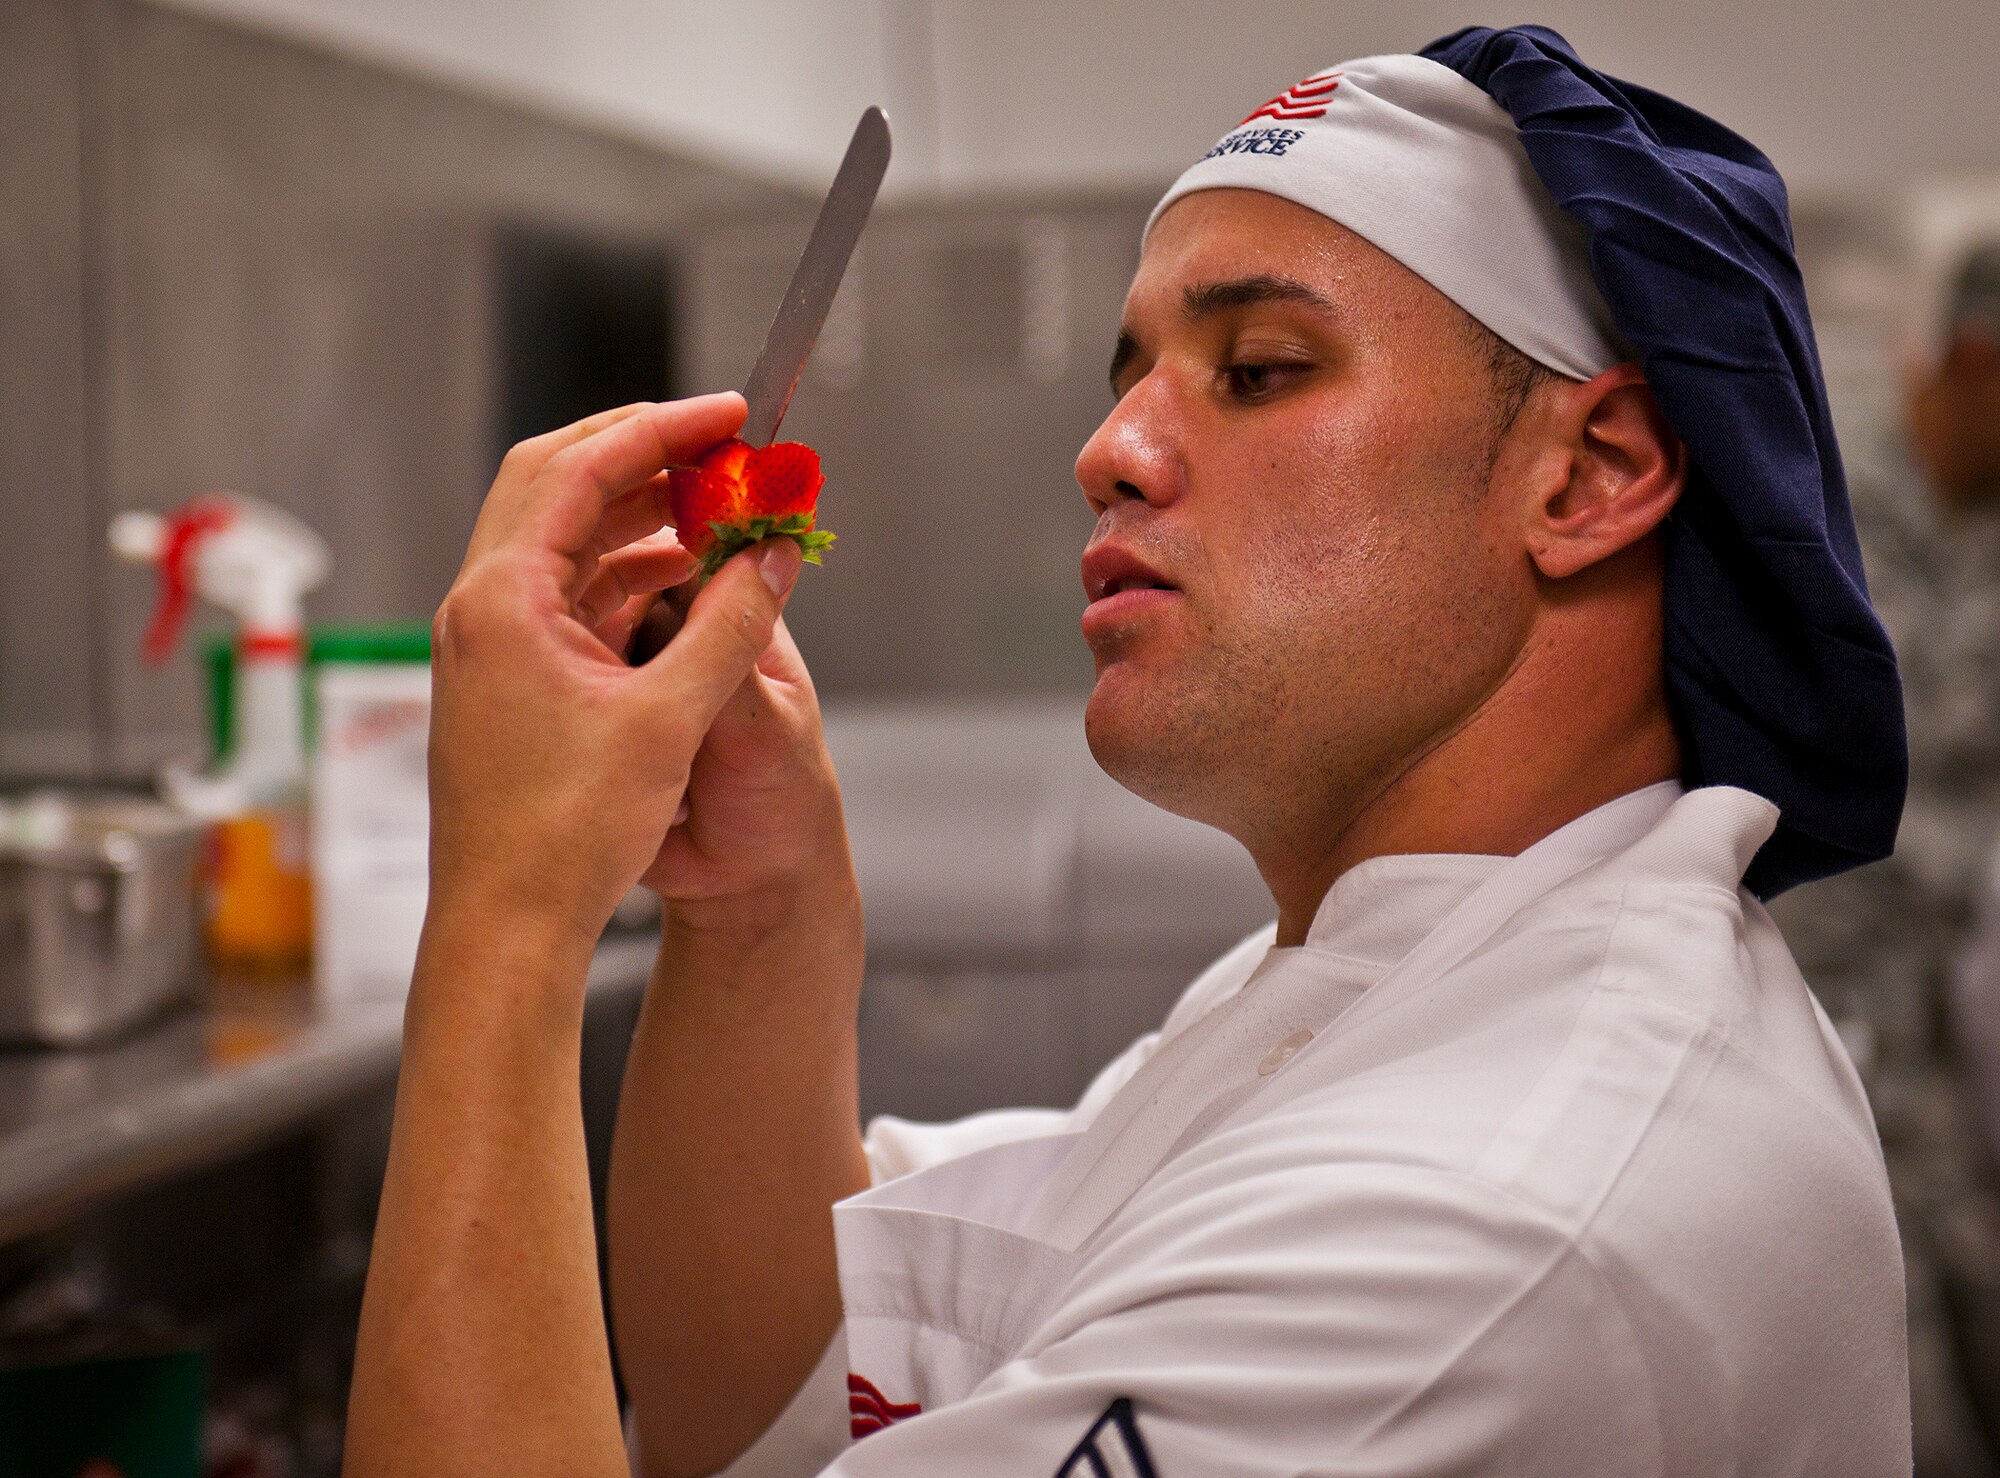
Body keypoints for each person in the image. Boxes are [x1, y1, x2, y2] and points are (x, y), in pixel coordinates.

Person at [342, 25, 1914, 1478]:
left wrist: (503, 915)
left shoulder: (1483, 1231)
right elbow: (776, 1392)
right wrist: (757, 909)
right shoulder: (1386, 978)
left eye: (1259, 372)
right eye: (1131, 380)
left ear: (1590, 475)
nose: (1109, 450)